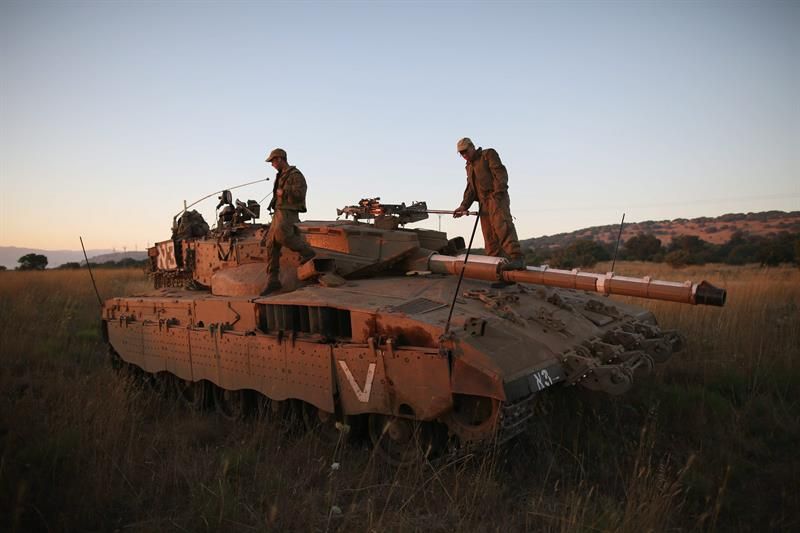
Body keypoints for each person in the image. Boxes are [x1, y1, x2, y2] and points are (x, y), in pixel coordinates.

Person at [453, 137, 525, 270]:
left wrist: (497, 194)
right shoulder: (469, 166)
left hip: (496, 198)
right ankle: (497, 269)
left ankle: (517, 258)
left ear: (472, 147)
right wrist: (463, 206)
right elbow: (470, 188)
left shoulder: (488, 155)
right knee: (489, 237)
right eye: (461, 153)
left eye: (465, 151)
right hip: (483, 203)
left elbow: (500, 174)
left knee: (502, 227)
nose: (464, 155)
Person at [263, 148, 316, 295]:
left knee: (282, 236)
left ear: (280, 159)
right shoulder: (280, 176)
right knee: (270, 243)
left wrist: (284, 192)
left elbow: (300, 193)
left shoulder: (295, 175)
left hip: (289, 212)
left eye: (273, 161)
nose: (272, 164)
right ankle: (272, 280)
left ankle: (308, 253)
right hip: (279, 212)